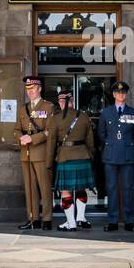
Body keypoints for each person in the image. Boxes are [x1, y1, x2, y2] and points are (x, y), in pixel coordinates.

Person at [46, 87, 96, 231]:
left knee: (65, 191)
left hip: (65, 157)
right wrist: (90, 155)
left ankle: (71, 222)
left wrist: (49, 163)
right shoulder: (84, 116)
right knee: (81, 188)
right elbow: (90, 141)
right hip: (83, 156)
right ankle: (80, 217)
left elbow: (51, 143)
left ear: (61, 102)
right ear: (72, 101)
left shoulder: (55, 119)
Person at [97, 80, 134, 232]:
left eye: (123, 92)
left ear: (126, 95)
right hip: (110, 155)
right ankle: (113, 221)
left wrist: (126, 144)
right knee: (112, 188)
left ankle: (129, 221)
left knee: (128, 188)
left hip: (127, 155)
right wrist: (112, 144)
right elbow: (101, 134)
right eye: (118, 92)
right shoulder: (106, 113)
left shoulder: (133, 112)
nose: (121, 94)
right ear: (114, 95)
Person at [16, 75, 57, 230]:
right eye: (28, 89)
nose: (30, 92)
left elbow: (49, 131)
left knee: (45, 187)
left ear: (39, 89)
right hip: (25, 154)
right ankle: (33, 219)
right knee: (30, 188)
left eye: (32, 89)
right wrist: (20, 137)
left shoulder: (48, 107)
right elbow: (16, 129)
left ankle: (46, 219)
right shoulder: (23, 109)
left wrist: (31, 139)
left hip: (41, 154)